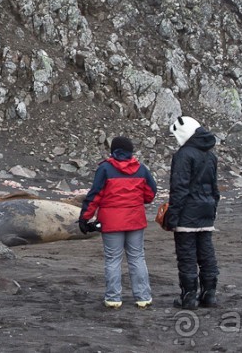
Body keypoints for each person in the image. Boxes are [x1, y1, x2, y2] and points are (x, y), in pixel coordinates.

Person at [79, 136, 157, 309]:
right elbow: (151, 194)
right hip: (135, 220)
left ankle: (113, 298)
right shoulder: (141, 169)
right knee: (137, 258)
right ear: (130, 151)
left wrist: (84, 217)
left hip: (112, 222)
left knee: (113, 259)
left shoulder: (105, 169)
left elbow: (94, 196)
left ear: (113, 151)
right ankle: (143, 297)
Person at [167, 116, 220, 309]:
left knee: (187, 255)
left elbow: (179, 188)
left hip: (187, 213)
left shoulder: (184, 155)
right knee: (206, 253)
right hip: (206, 210)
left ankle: (189, 297)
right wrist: (212, 209)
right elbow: (215, 189)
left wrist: (172, 216)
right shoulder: (211, 156)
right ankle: (209, 294)